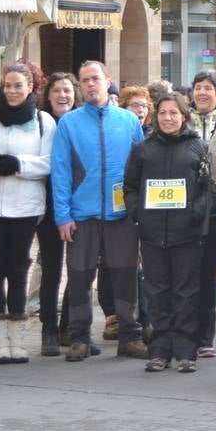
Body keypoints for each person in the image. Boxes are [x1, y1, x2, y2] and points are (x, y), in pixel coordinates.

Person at [51, 61, 147, 362]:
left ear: (108, 82)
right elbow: (61, 171)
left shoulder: (129, 121)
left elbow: (140, 169)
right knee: (80, 278)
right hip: (82, 214)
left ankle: (130, 336)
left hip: (122, 216)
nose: (90, 85)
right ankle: (79, 337)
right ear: (80, 86)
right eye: (85, 81)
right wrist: (63, 215)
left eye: (95, 79)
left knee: (125, 276)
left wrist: (138, 210)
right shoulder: (69, 123)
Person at [123, 92, 211, 373]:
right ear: (155, 115)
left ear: (184, 116)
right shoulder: (143, 149)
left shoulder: (198, 147)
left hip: (187, 234)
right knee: (157, 292)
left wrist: (195, 212)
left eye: (174, 113)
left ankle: (186, 351)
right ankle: (159, 350)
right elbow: (130, 187)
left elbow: (209, 189)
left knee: (186, 293)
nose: (168, 118)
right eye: (162, 113)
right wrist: (139, 213)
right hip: (152, 234)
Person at [0, 63, 55, 366]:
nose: (11, 91)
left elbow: (48, 163)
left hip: (26, 208)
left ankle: (18, 341)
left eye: (18, 86)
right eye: (7, 85)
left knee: (19, 270)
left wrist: (19, 165)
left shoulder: (43, 121)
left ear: (30, 88)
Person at [36, 72, 79, 356]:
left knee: (79, 271)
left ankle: (69, 328)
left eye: (67, 91)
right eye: (57, 91)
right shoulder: (40, 124)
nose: (63, 95)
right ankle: (48, 328)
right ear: (48, 95)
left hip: (80, 204)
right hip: (49, 204)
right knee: (51, 269)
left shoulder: (80, 123)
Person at [188, 69, 216, 360]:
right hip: (186, 209)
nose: (202, 93)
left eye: (208, 88)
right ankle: (184, 333)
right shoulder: (181, 119)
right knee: (186, 273)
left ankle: (205, 336)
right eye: (198, 87)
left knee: (208, 272)